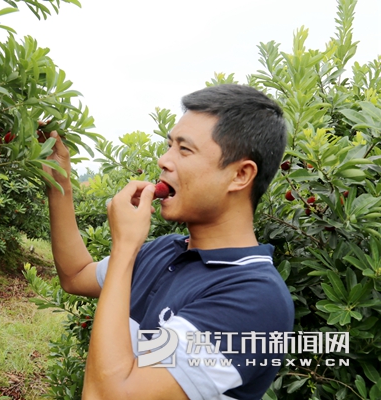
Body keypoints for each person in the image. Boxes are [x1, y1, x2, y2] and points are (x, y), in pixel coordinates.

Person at [42, 84, 295, 400]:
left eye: (184, 149)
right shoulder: (165, 251)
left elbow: (107, 396)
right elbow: (76, 274)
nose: (164, 160)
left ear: (240, 175)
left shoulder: (254, 299)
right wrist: (59, 181)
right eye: (169, 145)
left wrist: (124, 248)